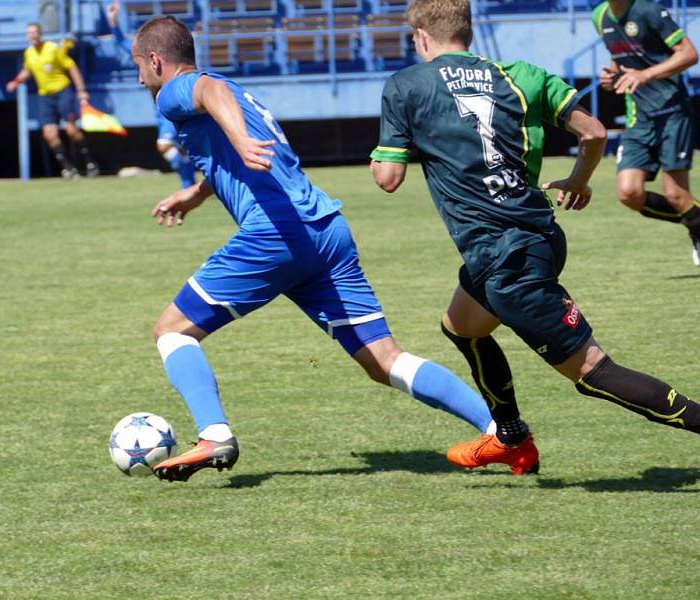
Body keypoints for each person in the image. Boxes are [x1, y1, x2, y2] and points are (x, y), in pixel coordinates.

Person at [128, 15, 504, 483]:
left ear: (156, 60)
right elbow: (235, 136)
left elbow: (207, 90)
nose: (139, 78)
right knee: (383, 359)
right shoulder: (241, 92)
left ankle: (214, 433)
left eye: (139, 67)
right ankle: (501, 430)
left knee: (172, 331)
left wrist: (241, 142)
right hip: (325, 229)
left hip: (276, 234)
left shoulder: (177, 90)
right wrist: (199, 193)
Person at [369, 0, 700, 475]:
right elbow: (593, 132)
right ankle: (510, 436)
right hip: (534, 237)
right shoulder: (521, 74)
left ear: (420, 35)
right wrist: (579, 181)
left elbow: (388, 178)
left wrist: (382, 154)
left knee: (593, 372)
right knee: (461, 325)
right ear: (468, 30)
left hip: (508, 260)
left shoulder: (405, 85)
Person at [593, 0, 700, 266]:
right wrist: (612, 77)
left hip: (672, 112)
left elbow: (689, 54)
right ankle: (696, 221)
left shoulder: (648, 10)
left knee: (677, 195)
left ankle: (696, 228)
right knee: (628, 193)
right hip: (638, 118)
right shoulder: (599, 16)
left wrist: (647, 75)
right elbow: (622, 60)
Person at [106, 2, 195, 188]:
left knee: (164, 145)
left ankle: (189, 183)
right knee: (181, 148)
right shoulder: (145, 57)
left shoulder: (171, 58)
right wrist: (113, 23)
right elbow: (123, 43)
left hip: (173, 106)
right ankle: (191, 181)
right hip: (161, 111)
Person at [6, 22, 100, 179]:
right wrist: (15, 82)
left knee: (71, 130)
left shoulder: (53, 48)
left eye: (35, 32)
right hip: (45, 96)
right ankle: (68, 168)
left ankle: (90, 162)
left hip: (62, 91)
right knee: (49, 134)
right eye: (29, 33)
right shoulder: (29, 53)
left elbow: (71, 67)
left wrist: (81, 90)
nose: (32, 35)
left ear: (40, 34)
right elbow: (28, 70)